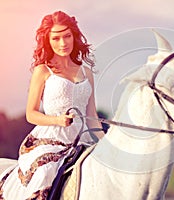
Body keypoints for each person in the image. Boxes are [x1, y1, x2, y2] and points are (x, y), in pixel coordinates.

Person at [0, 10, 104, 199]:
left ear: (74, 36)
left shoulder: (86, 72)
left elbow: (92, 117)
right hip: (51, 141)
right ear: (47, 40)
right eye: (56, 38)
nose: (63, 43)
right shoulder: (43, 71)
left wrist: (106, 143)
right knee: (45, 174)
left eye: (67, 36)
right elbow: (31, 114)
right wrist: (57, 120)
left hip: (82, 141)